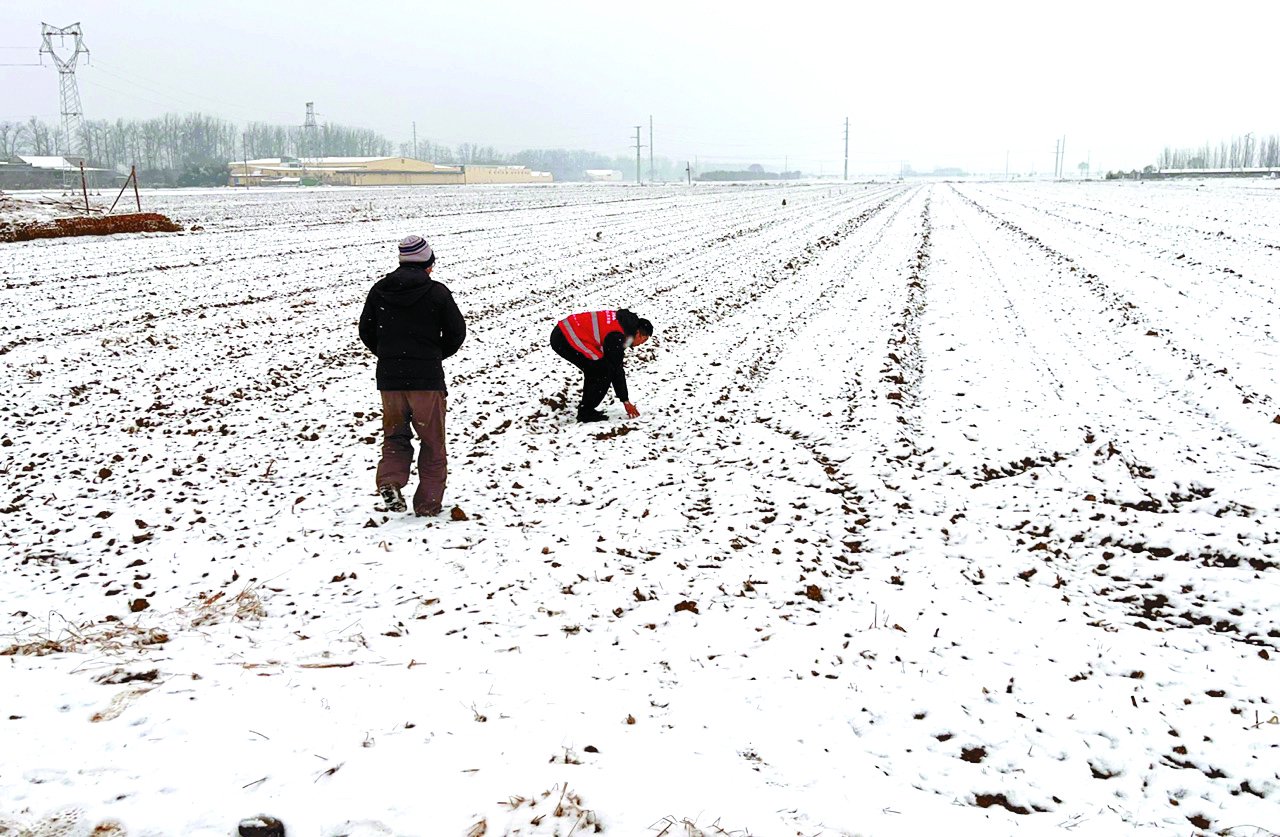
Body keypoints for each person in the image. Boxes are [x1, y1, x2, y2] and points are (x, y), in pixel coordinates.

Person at [359, 235, 466, 516]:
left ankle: (390, 481)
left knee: (395, 437)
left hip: (390, 380)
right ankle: (428, 505)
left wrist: (389, 356)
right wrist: (433, 356)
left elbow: (366, 332)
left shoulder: (380, 290)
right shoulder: (437, 293)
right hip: (426, 381)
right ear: (428, 263)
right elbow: (457, 333)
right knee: (432, 442)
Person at [551, 309, 653, 422]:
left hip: (566, 331)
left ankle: (586, 409)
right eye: (643, 341)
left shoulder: (626, 324)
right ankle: (586, 413)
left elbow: (615, 358)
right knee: (603, 370)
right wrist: (625, 400)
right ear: (638, 333)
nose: (640, 345)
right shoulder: (618, 336)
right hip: (565, 337)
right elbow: (617, 368)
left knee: (598, 368)